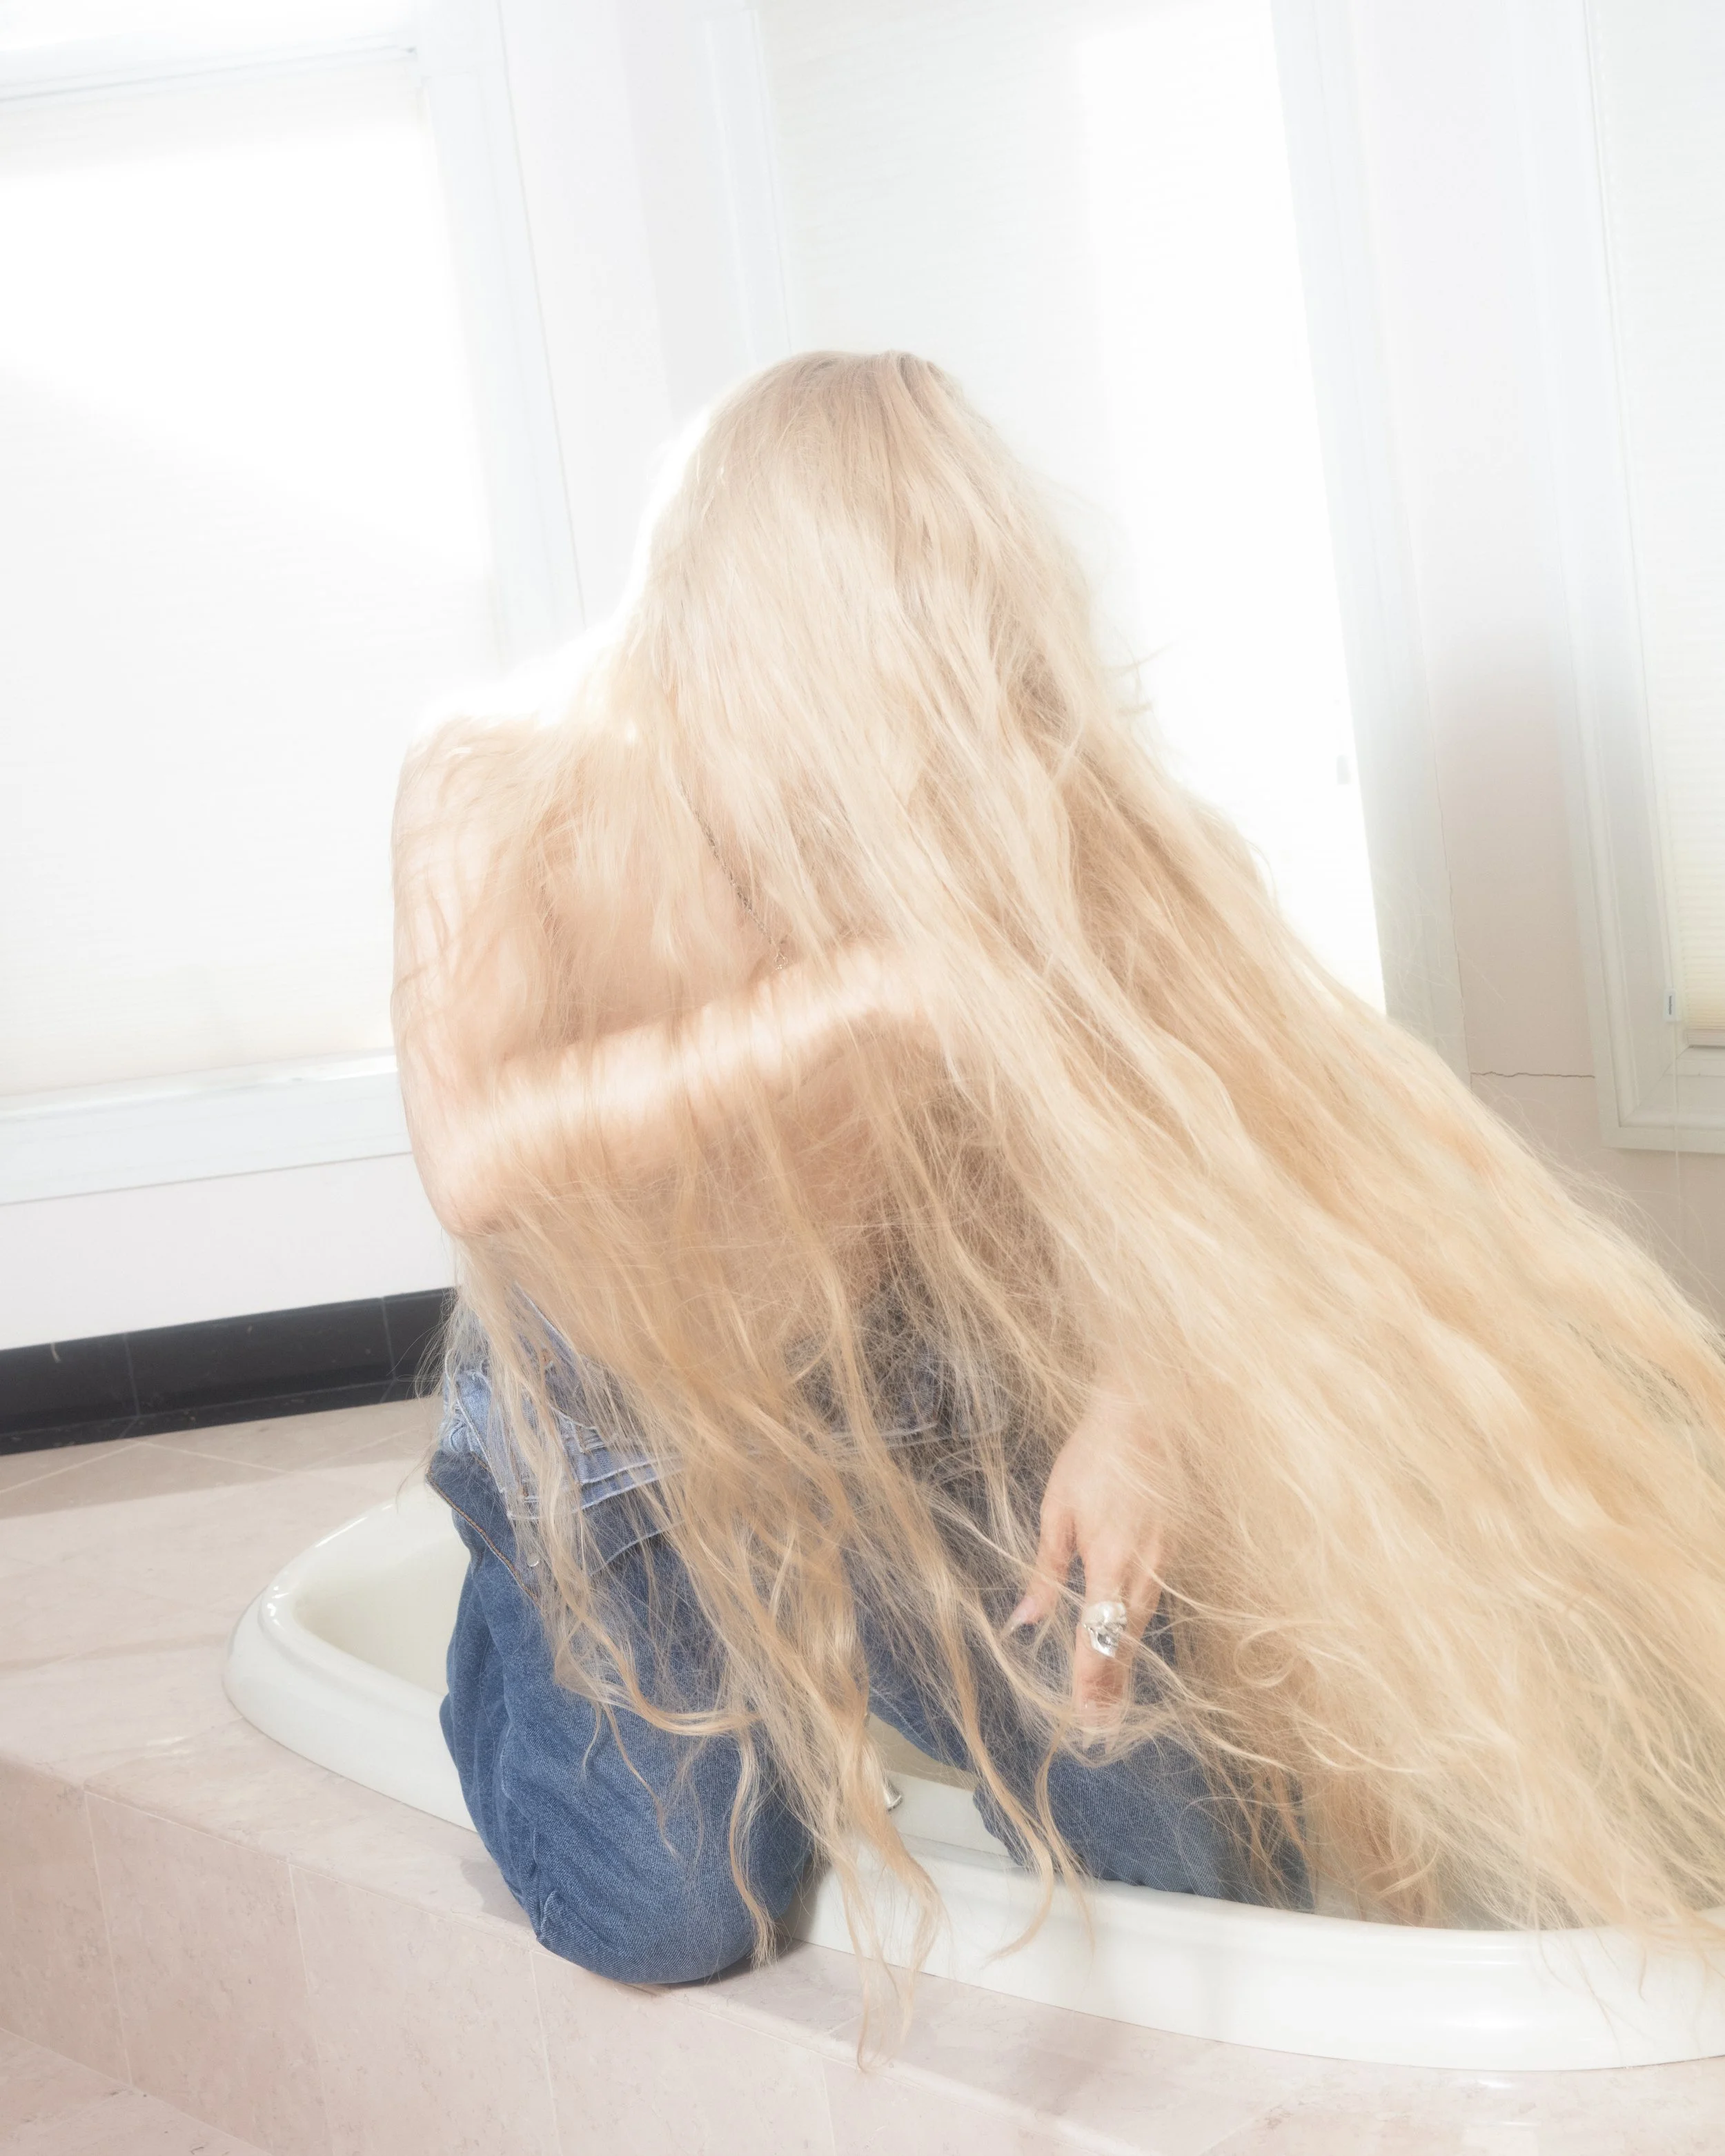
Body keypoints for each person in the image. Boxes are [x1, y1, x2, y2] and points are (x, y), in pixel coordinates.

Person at [393, 351, 1725, 1992]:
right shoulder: (498, 783)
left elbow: (1174, 1149)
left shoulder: (986, 781)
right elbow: (469, 1158)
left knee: (1194, 1857)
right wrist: (854, 998)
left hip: (905, 1376)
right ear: (728, 643)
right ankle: (504, 1646)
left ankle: (847, 1630)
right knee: (676, 1912)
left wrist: (1129, 1408)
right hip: (625, 1420)